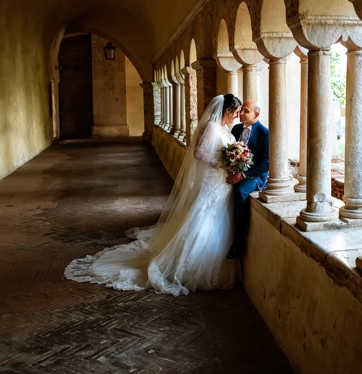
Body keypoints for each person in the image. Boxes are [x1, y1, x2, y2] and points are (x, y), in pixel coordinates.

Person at [64, 94, 242, 296]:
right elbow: (199, 153)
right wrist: (221, 163)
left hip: (222, 185)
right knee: (203, 219)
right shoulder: (210, 127)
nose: (236, 116)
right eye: (236, 112)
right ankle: (186, 268)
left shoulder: (225, 130)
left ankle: (210, 266)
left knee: (217, 222)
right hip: (212, 182)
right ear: (227, 110)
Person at [225, 100, 269, 259]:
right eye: (241, 110)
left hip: (255, 175)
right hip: (235, 170)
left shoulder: (265, 133)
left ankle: (238, 241)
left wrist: (243, 175)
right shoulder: (236, 129)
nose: (241, 114)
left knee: (240, 192)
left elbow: (266, 163)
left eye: (246, 111)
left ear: (256, 115)